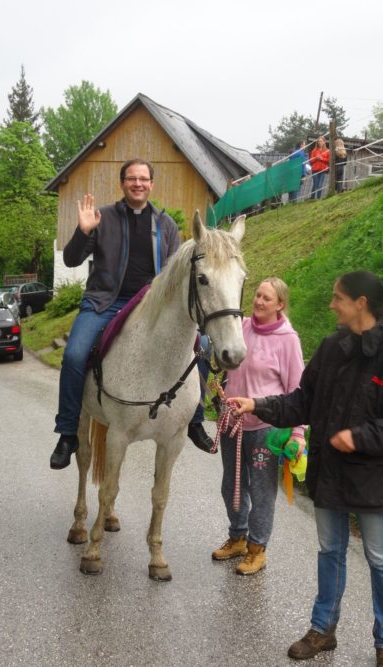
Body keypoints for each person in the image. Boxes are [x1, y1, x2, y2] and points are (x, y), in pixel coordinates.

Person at [230, 271, 383, 664]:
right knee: (330, 550)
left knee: (379, 560)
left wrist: (360, 437)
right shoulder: (332, 347)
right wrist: (257, 405)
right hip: (330, 472)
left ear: (361, 304)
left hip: (373, 479)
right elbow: (301, 401)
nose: (331, 304)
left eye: (338, 298)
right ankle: (322, 629)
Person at [50, 158, 212, 470]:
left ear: (151, 184)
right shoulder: (104, 218)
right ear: (122, 183)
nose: (137, 184)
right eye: (131, 179)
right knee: (73, 355)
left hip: (150, 304)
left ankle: (195, 420)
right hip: (103, 302)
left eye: (143, 179)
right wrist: (83, 232)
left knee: (202, 345)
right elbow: (71, 260)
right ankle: (67, 433)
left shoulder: (165, 225)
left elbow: (176, 275)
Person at [212, 277, 306, 575]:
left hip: (267, 427)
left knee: (263, 491)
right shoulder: (241, 326)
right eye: (257, 295)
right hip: (233, 421)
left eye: (266, 298)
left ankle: (257, 549)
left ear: (280, 305)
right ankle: (237, 537)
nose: (258, 301)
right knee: (231, 486)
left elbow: (298, 389)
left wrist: (297, 432)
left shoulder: (288, 339)